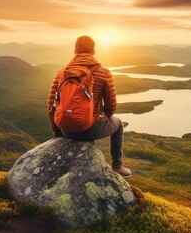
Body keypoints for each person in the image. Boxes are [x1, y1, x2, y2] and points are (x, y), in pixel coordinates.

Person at [47, 35, 132, 178]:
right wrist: (102, 116)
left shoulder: (61, 73)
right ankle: (117, 165)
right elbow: (111, 105)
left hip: (66, 130)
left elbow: (51, 106)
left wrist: (58, 133)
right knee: (119, 125)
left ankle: (117, 165)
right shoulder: (103, 72)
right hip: (90, 129)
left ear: (75, 51)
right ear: (93, 51)